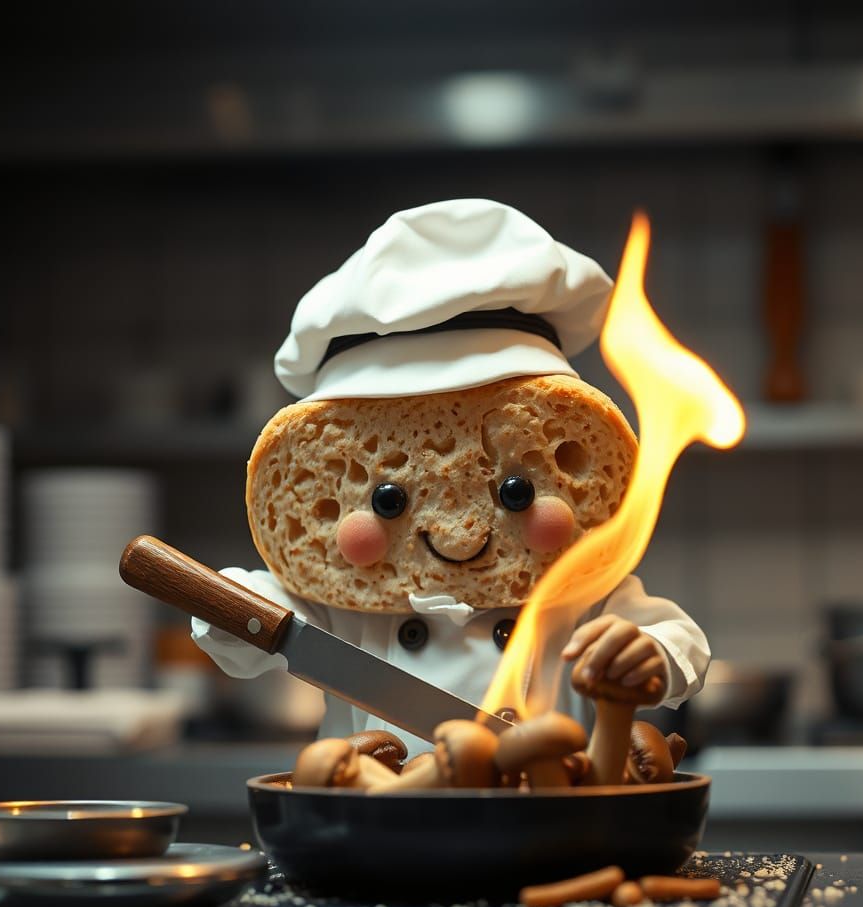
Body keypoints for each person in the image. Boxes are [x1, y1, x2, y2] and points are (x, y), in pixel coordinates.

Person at [193, 199, 709, 757]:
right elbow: (255, 627)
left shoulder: (575, 595)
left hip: (547, 831)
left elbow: (678, 639)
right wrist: (229, 604)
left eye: (517, 492)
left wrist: (647, 652)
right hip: (374, 831)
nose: (461, 534)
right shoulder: (338, 604)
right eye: (389, 498)